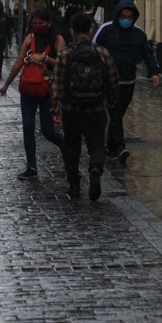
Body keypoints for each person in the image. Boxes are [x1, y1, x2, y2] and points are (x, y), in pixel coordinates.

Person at [52, 12, 119, 200]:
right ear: (91, 29)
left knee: (72, 146)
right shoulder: (102, 52)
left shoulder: (65, 53)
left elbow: (56, 82)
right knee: (97, 144)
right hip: (96, 108)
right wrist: (112, 102)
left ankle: (74, 184)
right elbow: (113, 79)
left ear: (71, 31)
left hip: (72, 109)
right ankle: (95, 170)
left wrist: (55, 107)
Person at [92, 0, 161, 164]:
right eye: (123, 16)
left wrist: (154, 72)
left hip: (128, 81)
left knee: (118, 114)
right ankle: (120, 147)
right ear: (117, 15)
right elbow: (93, 49)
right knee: (115, 113)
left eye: (129, 17)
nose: (126, 19)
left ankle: (110, 146)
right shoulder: (106, 30)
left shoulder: (138, 33)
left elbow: (147, 53)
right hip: (109, 82)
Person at [0, 8, 65, 180]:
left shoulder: (58, 40)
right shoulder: (30, 38)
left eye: (40, 24)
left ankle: (67, 149)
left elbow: (63, 64)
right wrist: (6, 84)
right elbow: (18, 62)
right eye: (34, 24)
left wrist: (45, 58)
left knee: (48, 131)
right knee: (27, 128)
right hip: (28, 89)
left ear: (49, 23)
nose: (37, 26)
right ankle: (31, 166)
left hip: (47, 90)